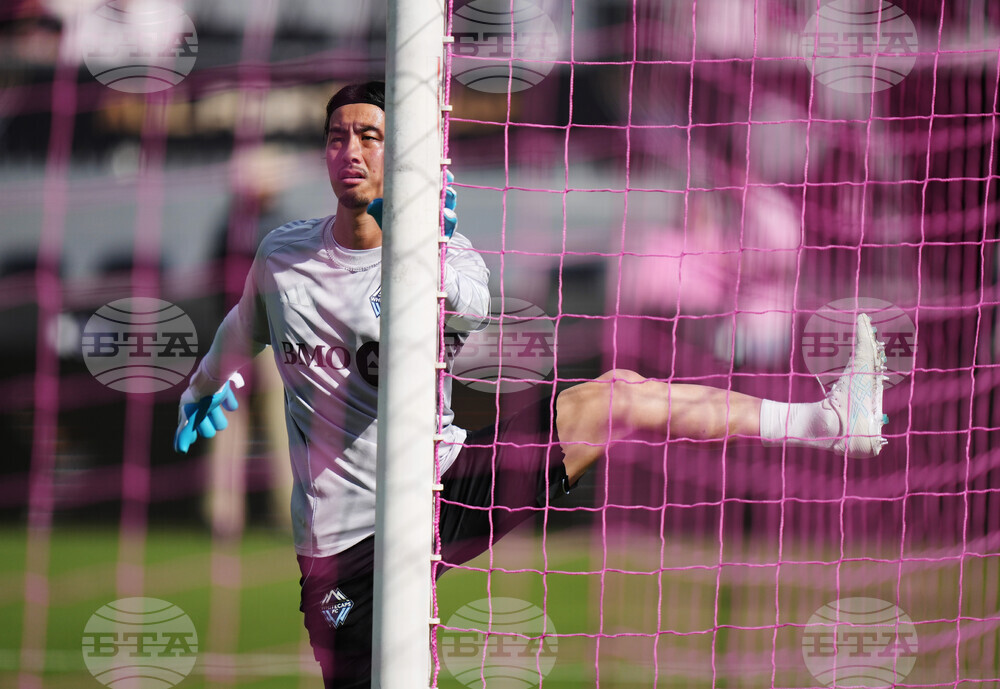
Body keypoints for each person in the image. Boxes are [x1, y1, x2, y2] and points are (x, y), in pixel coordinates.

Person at [173, 81, 888, 688]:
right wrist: (202, 387)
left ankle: (825, 421)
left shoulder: (448, 255)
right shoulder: (284, 254)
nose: (351, 152)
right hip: (343, 545)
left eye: (370, 137)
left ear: (402, 155)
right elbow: (244, 324)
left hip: (441, 486)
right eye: (337, 137)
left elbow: (464, 309)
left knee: (615, 396)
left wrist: (422, 255)